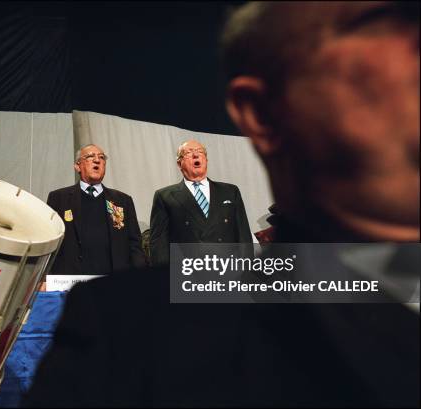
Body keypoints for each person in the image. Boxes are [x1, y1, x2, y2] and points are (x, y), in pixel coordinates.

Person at [24, 2, 419, 407]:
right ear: (261, 113)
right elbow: (157, 246)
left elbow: (242, 239)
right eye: (383, 24)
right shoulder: (123, 334)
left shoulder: (386, 304)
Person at [46, 144, 145, 275]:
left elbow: (134, 244)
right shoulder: (59, 198)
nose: (97, 160)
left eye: (102, 157)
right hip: (71, 279)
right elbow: (49, 242)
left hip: (113, 280)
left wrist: (142, 277)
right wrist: (44, 278)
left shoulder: (122, 200)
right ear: (77, 166)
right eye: (90, 156)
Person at [149, 139, 252, 266]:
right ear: (179, 163)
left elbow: (244, 235)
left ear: (206, 160)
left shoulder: (230, 191)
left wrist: (247, 269)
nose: (196, 155)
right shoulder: (165, 196)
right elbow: (159, 244)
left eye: (200, 152)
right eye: (189, 152)